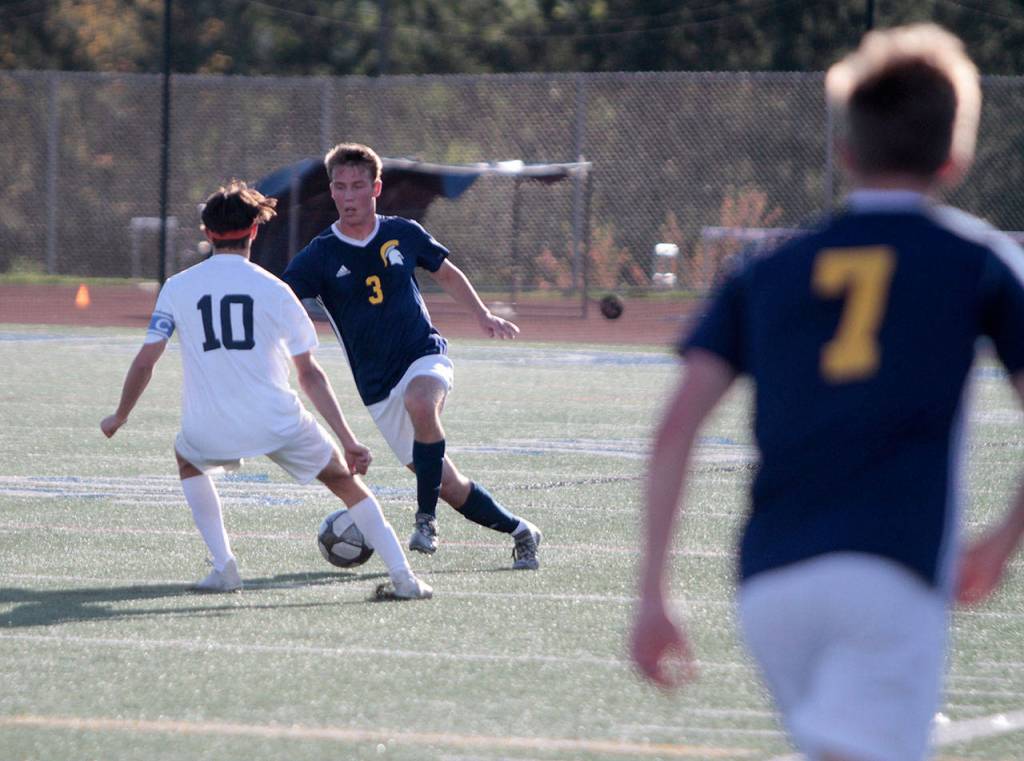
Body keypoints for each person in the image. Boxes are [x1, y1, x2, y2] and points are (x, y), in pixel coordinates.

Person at [631, 23, 1024, 761]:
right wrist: (1005, 537)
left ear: (845, 151)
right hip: (893, 571)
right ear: (956, 156)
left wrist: (653, 590)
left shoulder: (768, 269)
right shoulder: (978, 260)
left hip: (770, 585)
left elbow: (675, 427)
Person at [101, 180, 432, 600]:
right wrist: (348, 440)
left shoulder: (176, 287)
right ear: (255, 231)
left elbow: (147, 360)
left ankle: (224, 567)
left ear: (206, 233)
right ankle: (404, 578)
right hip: (277, 421)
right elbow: (310, 374)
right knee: (347, 485)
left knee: (188, 457)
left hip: (210, 426)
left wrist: (120, 415)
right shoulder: (277, 290)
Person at [282, 143, 542, 569]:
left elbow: (445, 271)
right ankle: (521, 531)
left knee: (422, 401)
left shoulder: (403, 232)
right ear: (331, 192)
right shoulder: (320, 254)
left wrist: (483, 315)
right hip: (377, 387)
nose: (349, 196)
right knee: (448, 483)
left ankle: (425, 521)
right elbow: (282, 297)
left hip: (424, 355)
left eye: (358, 186)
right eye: (341, 187)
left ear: (376, 188)